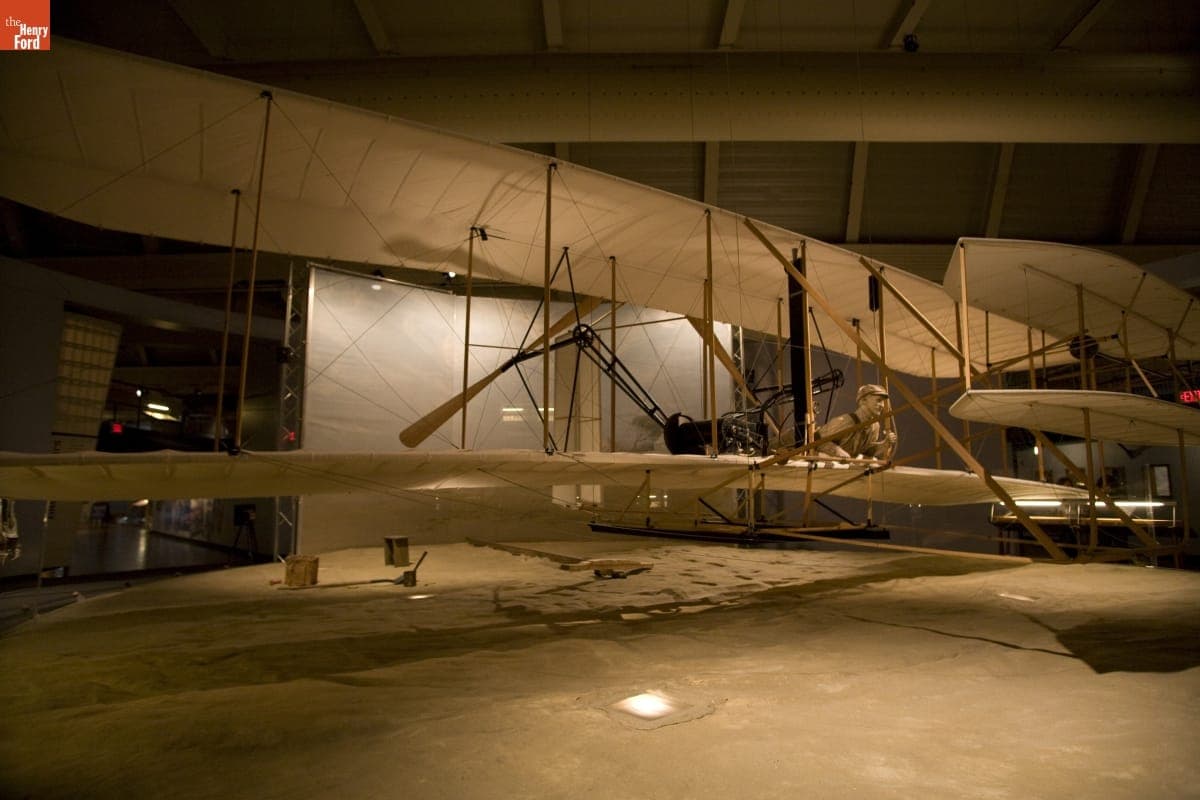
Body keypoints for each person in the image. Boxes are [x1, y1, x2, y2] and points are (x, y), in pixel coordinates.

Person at [815, 383, 897, 460]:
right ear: (863, 400)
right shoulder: (846, 421)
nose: (882, 405)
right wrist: (837, 452)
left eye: (883, 402)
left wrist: (884, 445)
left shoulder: (875, 426)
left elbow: (867, 451)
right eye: (878, 400)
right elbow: (817, 440)